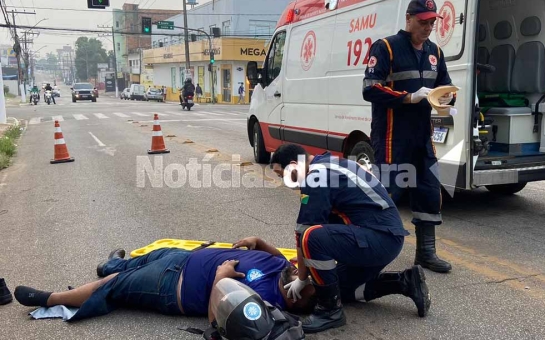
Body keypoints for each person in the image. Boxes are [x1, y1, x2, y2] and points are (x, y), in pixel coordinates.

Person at [270, 144, 430, 334]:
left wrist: (303, 277)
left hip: (378, 238)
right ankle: (405, 282)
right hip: (382, 238)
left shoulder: (316, 176)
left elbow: (303, 233)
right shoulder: (330, 163)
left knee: (311, 237)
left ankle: (330, 312)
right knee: (336, 288)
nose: (286, 181)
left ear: (294, 165)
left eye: (283, 175)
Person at [13, 237, 317, 322]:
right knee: (142, 257)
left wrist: (221, 279)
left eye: (306, 283)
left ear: (297, 299)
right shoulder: (282, 266)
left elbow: (216, 321)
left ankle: (50, 299)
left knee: (117, 282)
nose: (301, 273)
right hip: (184, 257)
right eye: (306, 273)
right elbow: (281, 253)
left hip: (173, 286)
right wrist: (259, 242)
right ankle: (109, 263)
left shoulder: (264, 303)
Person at [362, 0, 454, 274]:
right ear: (409, 19)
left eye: (431, 23)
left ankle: (426, 253)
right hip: (392, 135)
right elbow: (370, 88)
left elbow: (444, 86)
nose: (428, 28)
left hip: (422, 135)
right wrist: (408, 97)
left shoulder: (435, 51)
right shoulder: (386, 47)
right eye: (423, 22)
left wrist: (448, 97)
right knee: (387, 192)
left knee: (428, 190)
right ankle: (370, 254)